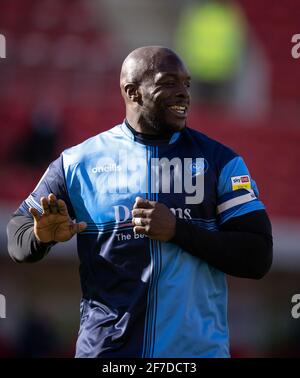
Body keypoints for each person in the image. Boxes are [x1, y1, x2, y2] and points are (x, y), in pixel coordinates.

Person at [6, 46, 273, 358]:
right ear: (133, 92)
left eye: (186, 84)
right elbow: (16, 238)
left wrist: (177, 230)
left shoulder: (221, 162)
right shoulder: (78, 164)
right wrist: (39, 237)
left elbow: (258, 256)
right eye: (168, 83)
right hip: (106, 356)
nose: (183, 93)